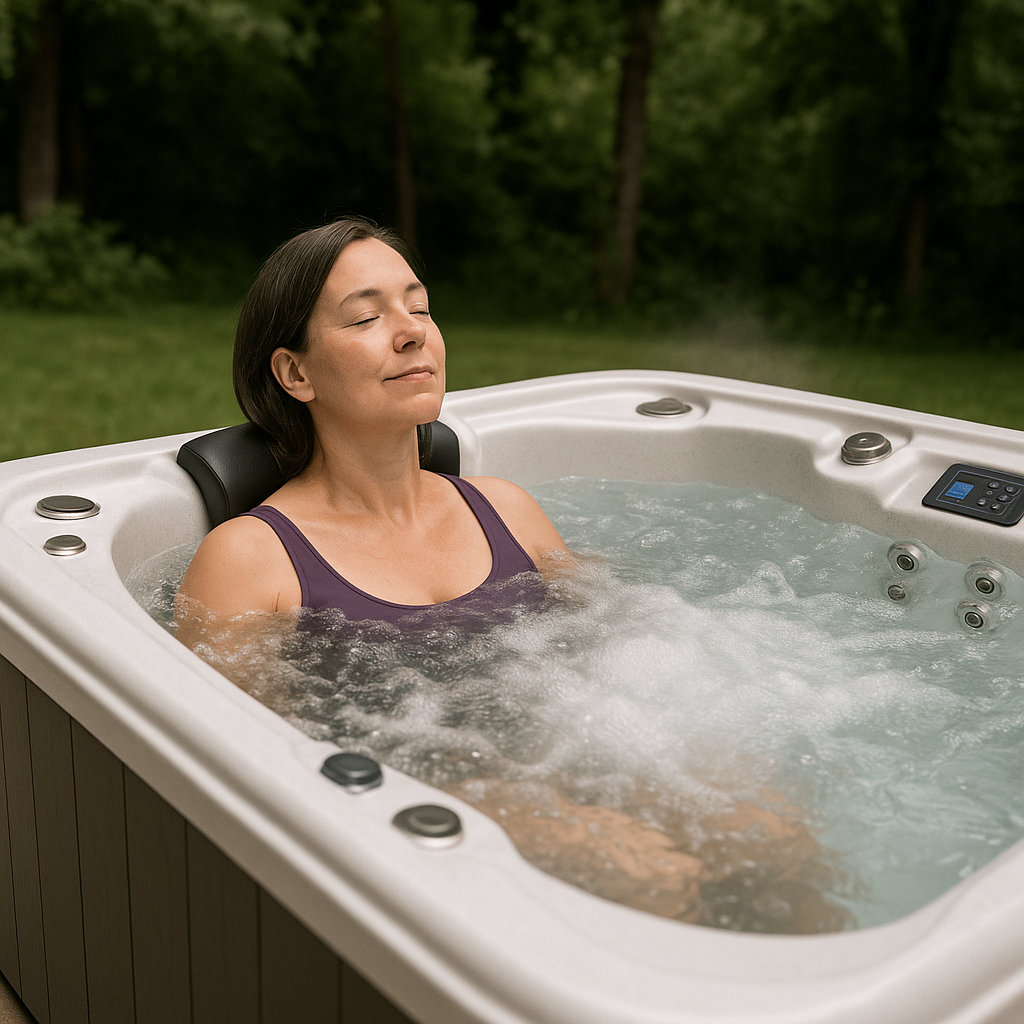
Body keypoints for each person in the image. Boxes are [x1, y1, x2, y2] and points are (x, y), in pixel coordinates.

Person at [176, 218, 567, 640]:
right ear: (295, 373)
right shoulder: (246, 560)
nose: (413, 331)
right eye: (365, 318)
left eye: (419, 309)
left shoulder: (510, 511)